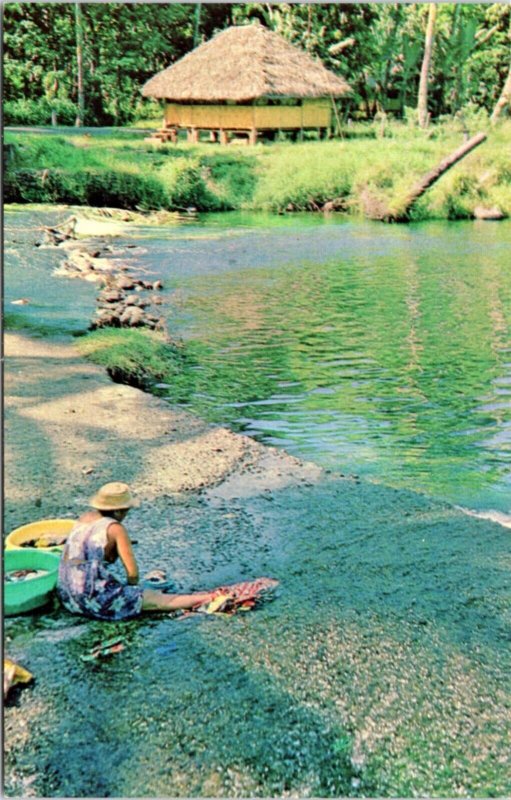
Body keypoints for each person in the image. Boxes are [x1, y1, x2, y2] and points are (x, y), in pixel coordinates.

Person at [57, 481, 217, 621]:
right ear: (118, 511)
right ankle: (209, 598)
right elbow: (133, 575)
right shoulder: (115, 529)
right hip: (92, 602)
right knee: (158, 600)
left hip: (68, 597)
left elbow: (87, 548)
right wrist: (133, 591)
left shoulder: (84, 518)